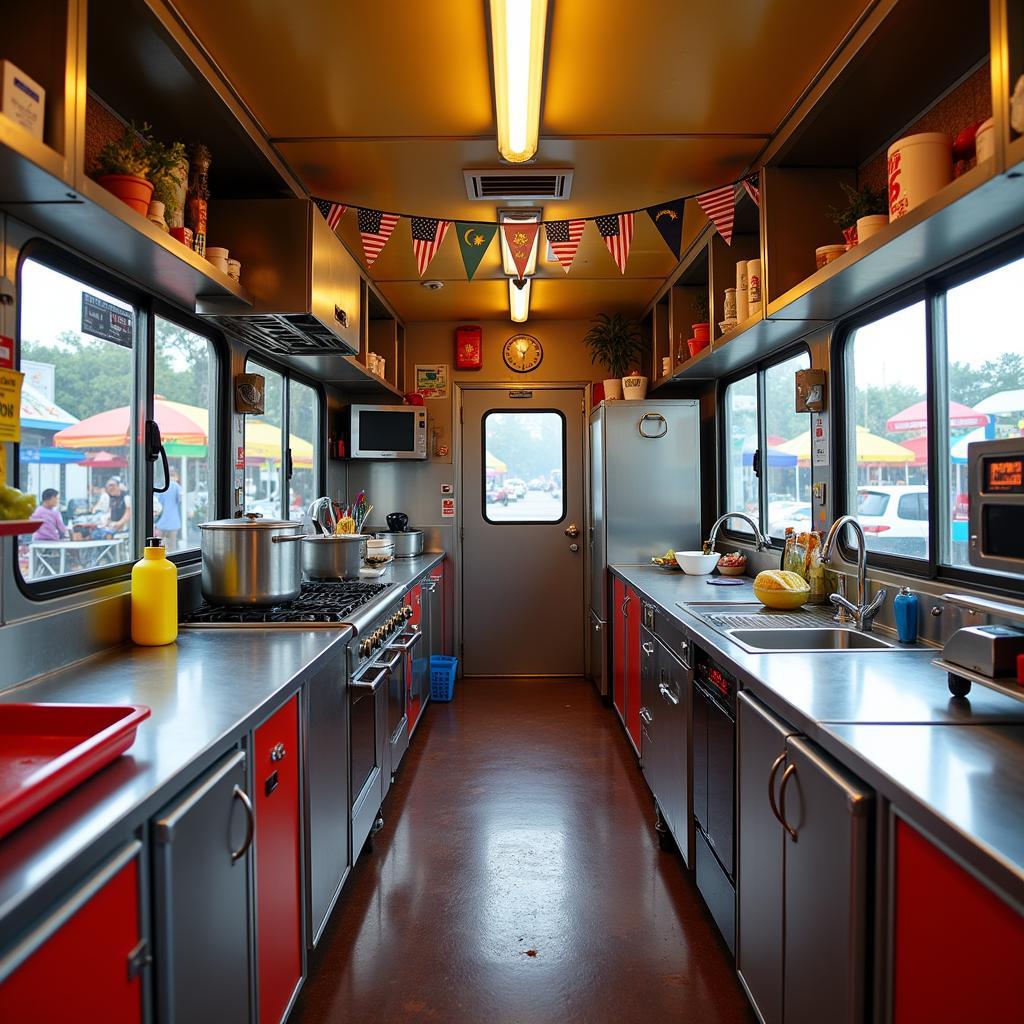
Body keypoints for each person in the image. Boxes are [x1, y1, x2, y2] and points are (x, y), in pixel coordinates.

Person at [155, 468, 182, 552]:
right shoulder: (176, 486)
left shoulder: (159, 485)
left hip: (160, 522)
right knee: (172, 547)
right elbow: (180, 499)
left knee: (159, 546)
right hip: (173, 522)